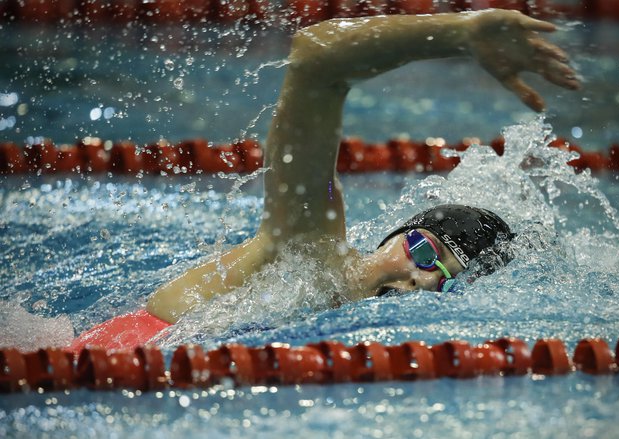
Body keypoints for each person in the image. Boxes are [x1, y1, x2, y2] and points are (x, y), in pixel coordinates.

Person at [69, 10, 579, 351]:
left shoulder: (346, 333)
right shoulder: (310, 248)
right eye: (425, 253)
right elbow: (315, 58)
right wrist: (458, 34)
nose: (423, 278)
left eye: (443, 279)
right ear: (399, 232)